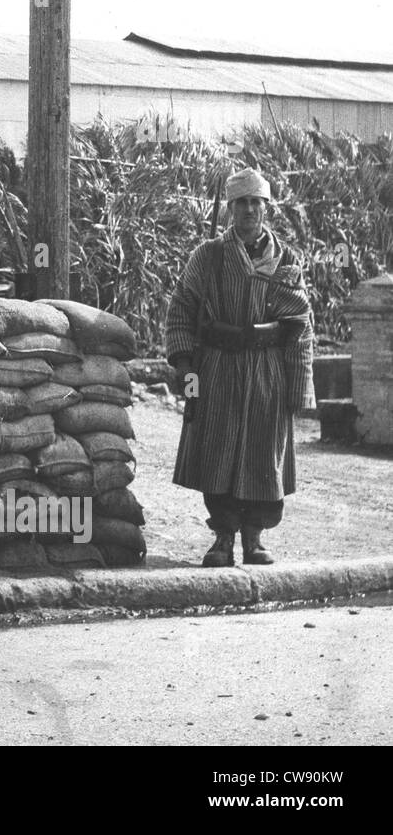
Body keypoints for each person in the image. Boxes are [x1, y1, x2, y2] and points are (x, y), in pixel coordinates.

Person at [165, 166, 314, 568]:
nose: (250, 210)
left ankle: (255, 536)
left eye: (257, 203)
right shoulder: (208, 256)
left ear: (267, 208)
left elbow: (299, 325)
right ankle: (223, 538)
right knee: (218, 450)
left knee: (264, 455)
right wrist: (185, 367)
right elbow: (181, 310)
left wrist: (299, 389)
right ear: (231, 208)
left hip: (267, 370)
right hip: (218, 368)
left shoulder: (285, 259)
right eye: (242, 203)